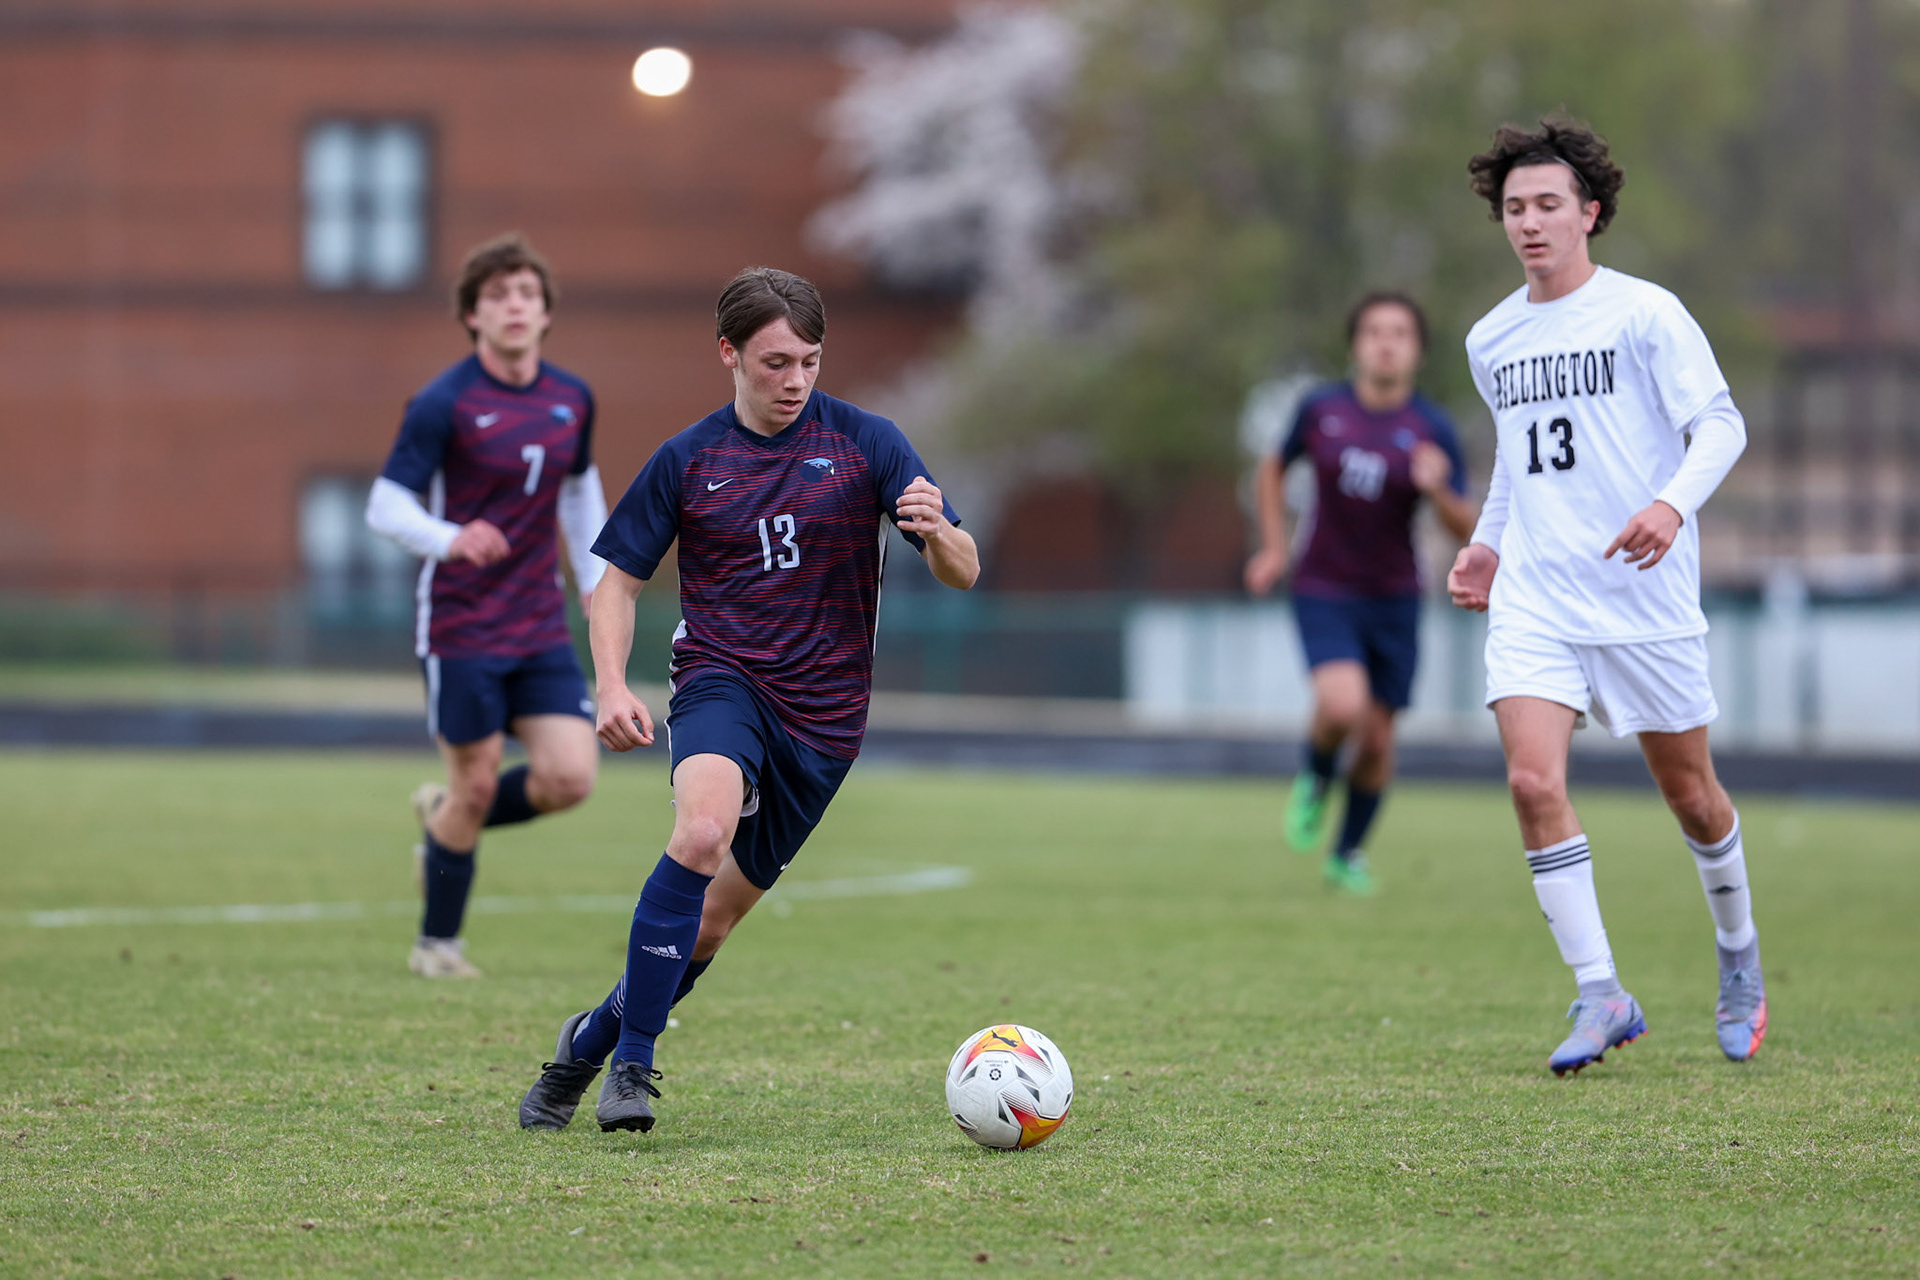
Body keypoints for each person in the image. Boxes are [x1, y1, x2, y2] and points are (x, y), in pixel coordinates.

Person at [516, 266, 980, 1134]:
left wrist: (940, 529)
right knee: (699, 833)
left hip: (827, 723)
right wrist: (611, 685)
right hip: (722, 681)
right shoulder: (690, 460)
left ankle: (583, 1045)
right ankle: (632, 1067)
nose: (794, 380)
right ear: (728, 353)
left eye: (808, 361)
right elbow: (614, 586)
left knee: (709, 930)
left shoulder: (869, 444)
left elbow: (963, 572)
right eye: (774, 362)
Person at [1447, 117, 1764, 1075]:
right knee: (1532, 783)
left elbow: (1720, 425)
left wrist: (1669, 507)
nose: (1530, 223)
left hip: (1642, 596)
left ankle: (1740, 956)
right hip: (1539, 600)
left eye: (1548, 204)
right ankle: (1601, 992)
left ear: (1589, 212)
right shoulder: (1492, 336)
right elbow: (1515, 455)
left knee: (1693, 798)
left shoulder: (1646, 315)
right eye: (1514, 208)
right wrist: (1485, 545)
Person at [364, 233, 608, 979]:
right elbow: (384, 505)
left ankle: (443, 824)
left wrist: (600, 578)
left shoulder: (572, 399)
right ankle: (437, 946)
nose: (514, 307)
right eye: (498, 295)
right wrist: (449, 537)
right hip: (462, 627)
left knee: (571, 778)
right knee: (475, 783)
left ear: (544, 314)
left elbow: (577, 493)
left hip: (537, 623)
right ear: (472, 314)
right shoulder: (444, 402)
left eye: (527, 295)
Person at [1245, 293, 1478, 895]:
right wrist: (1274, 549)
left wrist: (1438, 491)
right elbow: (1273, 468)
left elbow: (1468, 527)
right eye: (1374, 331)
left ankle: (1347, 853)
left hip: (1396, 597)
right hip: (1323, 584)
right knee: (1343, 706)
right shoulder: (1321, 409)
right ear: (1356, 344)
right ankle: (1317, 775)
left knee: (1377, 739)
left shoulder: (1432, 429)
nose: (1386, 342)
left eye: (1399, 332)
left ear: (1417, 349)